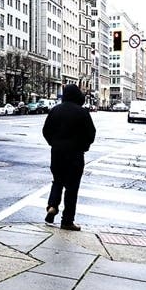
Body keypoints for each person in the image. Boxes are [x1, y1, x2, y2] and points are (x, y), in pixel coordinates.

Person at [41, 83, 96, 231]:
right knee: (72, 188)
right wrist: (83, 147)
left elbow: (46, 131)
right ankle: (67, 221)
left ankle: (52, 206)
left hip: (57, 153)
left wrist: (54, 143)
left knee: (57, 181)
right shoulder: (82, 112)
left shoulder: (55, 110)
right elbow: (91, 134)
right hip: (75, 155)